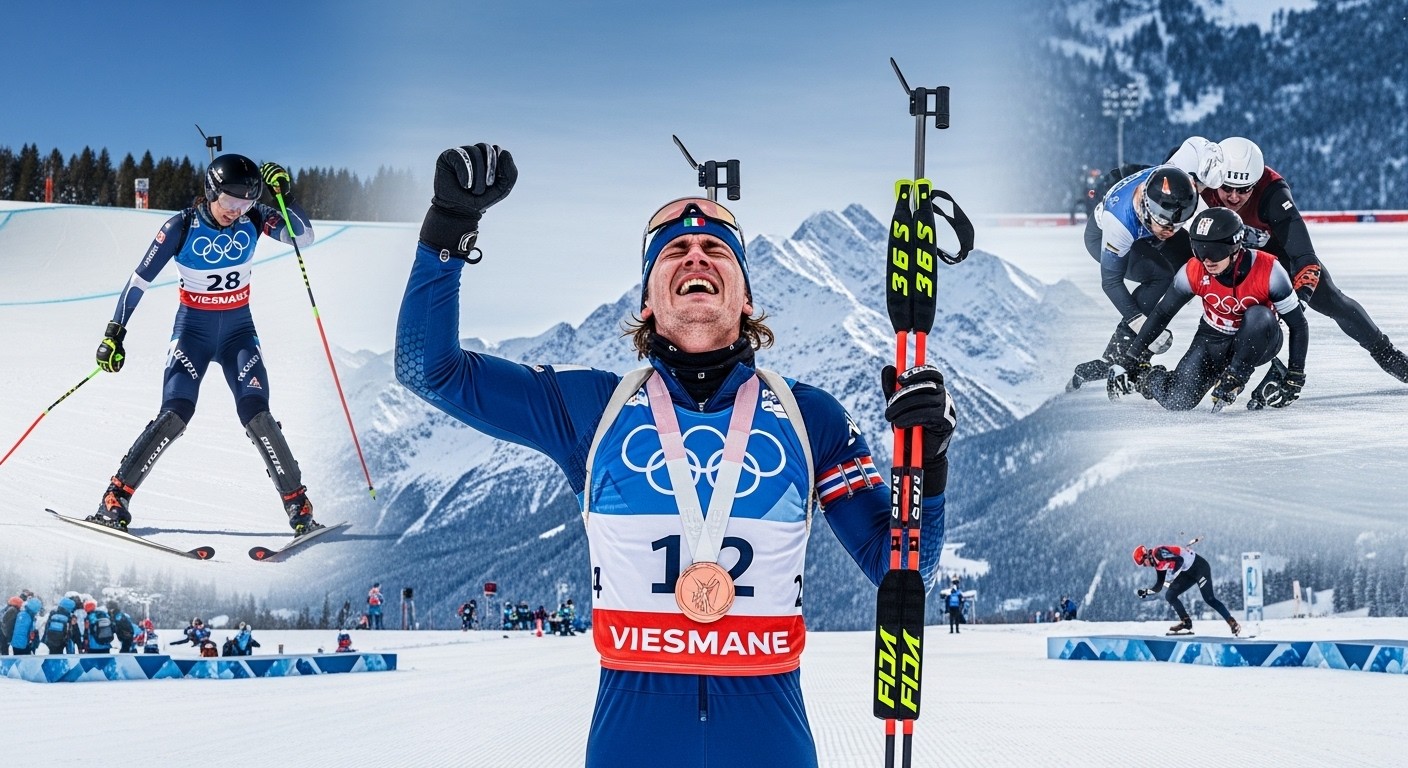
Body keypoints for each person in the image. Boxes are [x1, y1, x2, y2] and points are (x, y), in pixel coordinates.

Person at [394, 143, 957, 768]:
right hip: (632, 736)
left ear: (745, 297)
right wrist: (447, 230)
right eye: (675, 251)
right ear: (646, 303)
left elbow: (904, 569)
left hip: (769, 736)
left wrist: (929, 466)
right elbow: (429, 370)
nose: (696, 254)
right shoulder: (589, 408)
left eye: (717, 249)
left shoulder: (809, 416)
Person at [87, 154, 324, 535]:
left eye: (246, 203)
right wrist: (114, 332)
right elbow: (138, 281)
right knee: (175, 413)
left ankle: (299, 506)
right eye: (230, 202)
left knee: (257, 414)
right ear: (211, 192)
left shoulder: (256, 218)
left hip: (238, 334)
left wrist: (287, 197)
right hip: (193, 333)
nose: (237, 211)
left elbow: (304, 236)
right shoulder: (181, 227)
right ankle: (115, 498)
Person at [1205, 137, 1408, 387]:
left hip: (1279, 258)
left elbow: (1305, 259)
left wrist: (1299, 299)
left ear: (1256, 184)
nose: (1234, 197)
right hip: (1226, 256)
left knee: (1332, 300)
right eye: (1226, 187)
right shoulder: (1200, 173)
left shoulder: (1273, 194)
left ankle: (1388, 355)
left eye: (1244, 189)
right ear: (1213, 176)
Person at [1107, 207, 1309, 411]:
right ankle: (1145, 377)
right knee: (1177, 401)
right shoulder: (1193, 270)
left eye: (1215, 252)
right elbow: (1162, 313)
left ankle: (1237, 374)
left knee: (1259, 315)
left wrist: (1296, 375)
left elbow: (1298, 324)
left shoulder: (1270, 271)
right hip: (1212, 338)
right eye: (1199, 250)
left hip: (1260, 339)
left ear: (1235, 247)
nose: (1207, 260)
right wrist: (1132, 357)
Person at [1067, 164, 1200, 390]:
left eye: (1178, 222)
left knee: (1194, 259)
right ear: (1146, 208)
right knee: (1160, 276)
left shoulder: (1171, 181)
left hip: (1143, 225)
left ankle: (1126, 349)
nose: (1171, 230)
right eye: (1166, 224)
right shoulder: (1118, 224)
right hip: (1103, 235)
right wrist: (1142, 324)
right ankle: (1120, 353)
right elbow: (1110, 282)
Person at [1133, 543, 1241, 636]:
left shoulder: (1158, 552)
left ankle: (1232, 622)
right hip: (1187, 573)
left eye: (1143, 563)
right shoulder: (1158, 566)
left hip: (1200, 568)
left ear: (1147, 556)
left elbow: (1179, 560)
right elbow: (1159, 586)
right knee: (1170, 595)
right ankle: (1186, 622)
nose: (1145, 566)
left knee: (1209, 599)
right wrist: (1146, 592)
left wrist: (1172, 576)